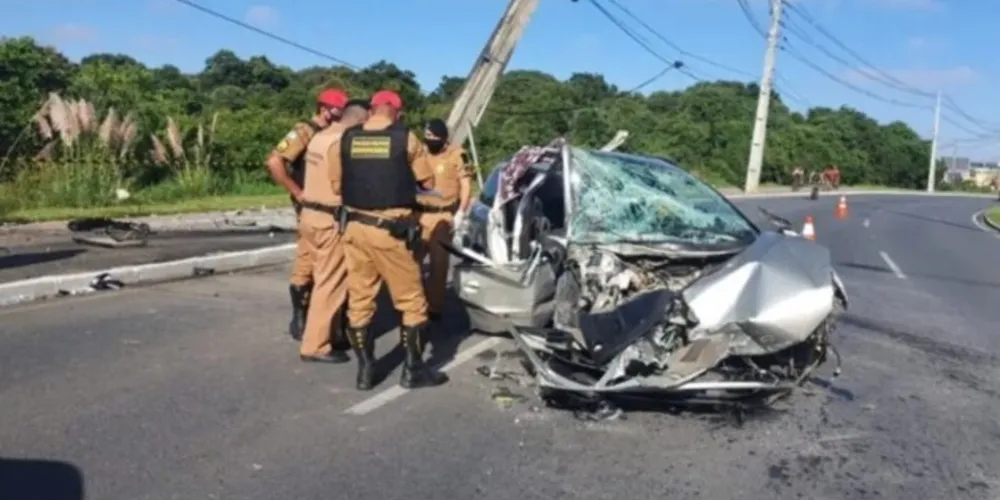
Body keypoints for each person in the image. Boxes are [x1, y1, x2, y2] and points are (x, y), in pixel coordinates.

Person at [332, 89, 448, 391]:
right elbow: (428, 182)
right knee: (412, 301)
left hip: (354, 229)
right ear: (395, 111)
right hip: (390, 230)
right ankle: (413, 371)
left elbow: (336, 182)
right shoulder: (404, 138)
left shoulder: (347, 137)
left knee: (360, 300)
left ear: (372, 109)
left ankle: (366, 372)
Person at [265, 88, 349, 342]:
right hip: (310, 208)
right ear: (324, 109)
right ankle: (301, 317)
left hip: (331, 208)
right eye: (338, 111)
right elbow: (274, 161)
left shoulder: (335, 134)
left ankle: (329, 323)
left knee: (327, 266)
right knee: (307, 263)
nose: (341, 115)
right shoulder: (304, 131)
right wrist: (297, 192)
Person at [296, 98, 371, 363]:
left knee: (320, 278)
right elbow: (342, 186)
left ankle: (328, 333)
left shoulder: (320, 136)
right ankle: (315, 345)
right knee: (330, 283)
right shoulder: (341, 143)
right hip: (330, 218)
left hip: (309, 214)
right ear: (362, 120)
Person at [414, 119, 473, 322]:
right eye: (427, 137)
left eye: (433, 138)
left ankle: (434, 307)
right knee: (413, 263)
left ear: (444, 138)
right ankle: (415, 303)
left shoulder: (457, 154)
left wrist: (461, 212)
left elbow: (466, 184)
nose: (429, 141)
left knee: (439, 265)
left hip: (444, 214)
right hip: (420, 215)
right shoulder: (419, 153)